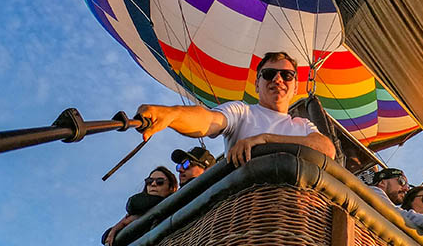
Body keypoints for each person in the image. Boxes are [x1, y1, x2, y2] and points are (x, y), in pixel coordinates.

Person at [136, 52, 336, 165]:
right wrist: (173, 114)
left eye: (287, 75)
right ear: (257, 84)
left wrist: (265, 139)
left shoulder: (303, 125)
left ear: (295, 86)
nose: (278, 79)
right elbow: (210, 120)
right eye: (268, 74)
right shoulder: (242, 112)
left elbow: (327, 149)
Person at [102, 166, 177, 246]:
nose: (153, 184)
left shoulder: (174, 206)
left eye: (160, 181)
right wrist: (114, 230)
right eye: (149, 181)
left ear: (171, 188)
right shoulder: (139, 206)